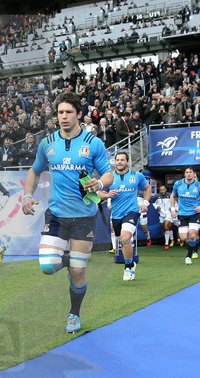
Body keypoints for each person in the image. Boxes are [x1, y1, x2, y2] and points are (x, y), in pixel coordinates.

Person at [22, 91, 113, 333]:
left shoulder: (93, 143)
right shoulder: (47, 143)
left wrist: (99, 183)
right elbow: (35, 171)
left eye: (69, 112)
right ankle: (69, 261)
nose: (63, 116)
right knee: (48, 267)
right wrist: (27, 195)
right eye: (60, 112)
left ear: (79, 114)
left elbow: (108, 174)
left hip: (84, 216)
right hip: (57, 214)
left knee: (79, 271)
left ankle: (74, 314)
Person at [98, 151, 150, 282]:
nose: (119, 162)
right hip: (116, 214)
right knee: (122, 240)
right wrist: (107, 195)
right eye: (117, 160)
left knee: (126, 238)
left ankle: (127, 268)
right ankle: (131, 263)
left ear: (127, 162)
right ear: (115, 162)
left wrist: (145, 203)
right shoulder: (109, 177)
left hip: (132, 211)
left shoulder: (136, 176)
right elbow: (99, 193)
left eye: (122, 160)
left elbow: (147, 188)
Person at [170, 166, 200, 265]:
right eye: (187, 172)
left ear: (194, 174)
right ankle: (193, 244)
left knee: (192, 234)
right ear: (184, 174)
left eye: (190, 172)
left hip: (195, 213)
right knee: (184, 238)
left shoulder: (199, 186)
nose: (189, 174)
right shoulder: (178, 184)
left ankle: (189, 256)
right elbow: (172, 195)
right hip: (182, 213)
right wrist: (173, 209)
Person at [152, 184, 175, 249]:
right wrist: (156, 207)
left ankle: (166, 243)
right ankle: (172, 239)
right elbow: (153, 203)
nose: (162, 191)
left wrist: (172, 208)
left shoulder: (170, 195)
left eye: (163, 189)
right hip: (161, 214)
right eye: (161, 190)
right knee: (164, 228)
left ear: (166, 189)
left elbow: (175, 202)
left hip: (168, 213)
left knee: (166, 226)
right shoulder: (157, 196)